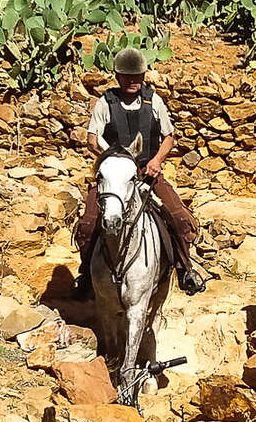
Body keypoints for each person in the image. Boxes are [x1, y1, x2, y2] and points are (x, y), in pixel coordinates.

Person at [73, 48, 207, 296]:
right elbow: (93, 139)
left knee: (178, 217)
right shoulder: (106, 103)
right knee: (89, 224)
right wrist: (111, 158)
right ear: (118, 76)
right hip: (115, 176)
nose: (133, 81)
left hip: (147, 172)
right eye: (127, 76)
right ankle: (86, 275)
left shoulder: (154, 101)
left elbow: (169, 137)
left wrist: (157, 161)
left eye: (137, 76)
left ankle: (185, 269)